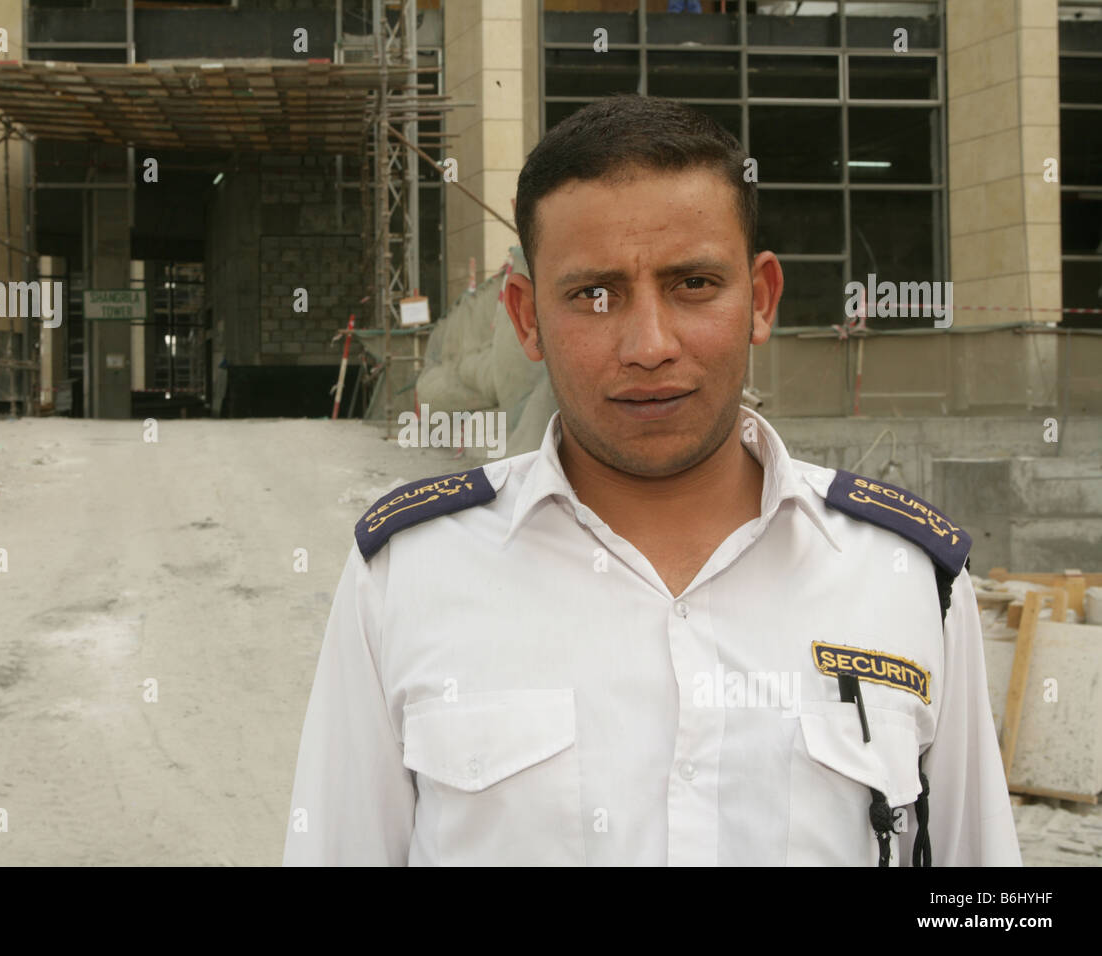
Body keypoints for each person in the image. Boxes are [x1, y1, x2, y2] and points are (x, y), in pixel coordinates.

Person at [282, 94, 1021, 866]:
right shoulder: (407, 576)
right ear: (527, 318)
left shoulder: (907, 578)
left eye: (694, 284)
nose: (649, 344)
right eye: (594, 295)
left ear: (760, 300)